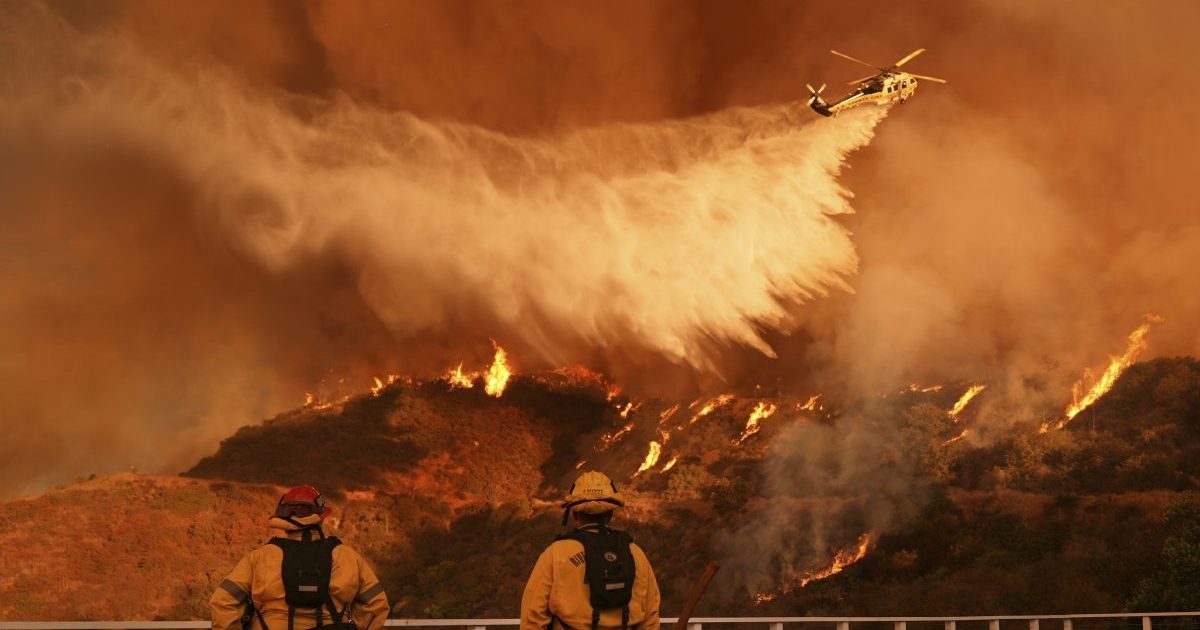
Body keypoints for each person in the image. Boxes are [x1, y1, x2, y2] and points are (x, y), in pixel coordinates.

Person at [211, 485, 389, 630]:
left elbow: (223, 602)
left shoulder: (259, 558)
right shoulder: (347, 557)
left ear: (282, 517)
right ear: (320, 518)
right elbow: (376, 605)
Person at [521, 471, 660, 630]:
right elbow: (650, 618)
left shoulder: (555, 554)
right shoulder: (635, 553)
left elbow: (532, 618)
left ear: (574, 514)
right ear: (610, 514)